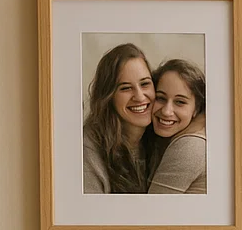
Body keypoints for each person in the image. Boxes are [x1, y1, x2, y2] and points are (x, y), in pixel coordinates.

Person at [83, 43, 154, 194]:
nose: (140, 97)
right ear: (108, 97)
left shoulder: (161, 135)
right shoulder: (88, 147)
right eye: (125, 88)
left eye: (145, 84)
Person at [147, 59, 207, 194]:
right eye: (160, 98)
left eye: (180, 102)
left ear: (196, 109)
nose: (166, 111)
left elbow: (154, 206)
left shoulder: (190, 145)